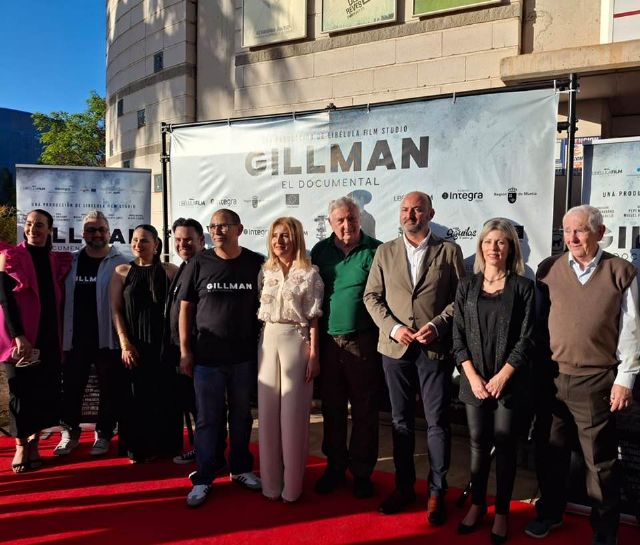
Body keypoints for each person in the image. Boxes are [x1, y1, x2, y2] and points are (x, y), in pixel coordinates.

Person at [525, 205, 639, 545]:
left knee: (600, 462)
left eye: (581, 230)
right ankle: (550, 513)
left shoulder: (621, 271)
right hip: (553, 379)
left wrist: (625, 379)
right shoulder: (548, 269)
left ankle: (605, 530)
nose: (572, 238)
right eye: (567, 231)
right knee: (550, 453)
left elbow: (632, 330)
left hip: (596, 381)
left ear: (600, 233)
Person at [364, 191, 465, 523]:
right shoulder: (385, 251)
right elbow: (372, 297)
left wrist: (437, 326)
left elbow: (460, 299)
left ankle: (437, 492)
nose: (410, 215)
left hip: (434, 349)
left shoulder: (449, 251)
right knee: (400, 421)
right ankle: (404, 487)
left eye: (417, 210)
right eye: (405, 209)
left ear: (430, 214)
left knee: (436, 423)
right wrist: (394, 329)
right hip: (395, 349)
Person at [453, 218, 535, 544]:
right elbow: (458, 337)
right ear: (480, 246)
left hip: (508, 384)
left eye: (501, 242)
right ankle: (477, 506)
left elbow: (527, 338)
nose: (494, 248)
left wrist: (503, 376)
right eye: (488, 242)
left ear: (511, 247)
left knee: (504, 447)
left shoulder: (523, 287)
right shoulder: (466, 286)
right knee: (476, 444)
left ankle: (501, 513)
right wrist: (472, 376)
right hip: (473, 382)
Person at [179, 209, 264, 508]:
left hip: (243, 358)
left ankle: (240, 468)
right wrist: (185, 351)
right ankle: (203, 477)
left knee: (241, 417)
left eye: (223, 226)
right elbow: (185, 308)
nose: (217, 231)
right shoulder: (199, 263)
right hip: (207, 359)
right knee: (207, 420)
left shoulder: (256, 263)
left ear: (239, 229)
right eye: (213, 226)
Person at [311, 196, 382, 498]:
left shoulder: (376, 250)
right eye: (340, 220)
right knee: (332, 408)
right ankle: (335, 467)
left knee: (365, 410)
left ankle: (362, 472)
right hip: (328, 343)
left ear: (359, 219)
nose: (346, 225)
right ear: (330, 222)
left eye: (351, 218)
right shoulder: (320, 251)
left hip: (362, 342)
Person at [0, 209, 72, 472]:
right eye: (29, 224)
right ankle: (21, 445)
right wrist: (18, 335)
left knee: (42, 393)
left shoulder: (55, 261)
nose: (33, 229)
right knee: (20, 393)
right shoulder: (11, 256)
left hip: (49, 338)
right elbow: (5, 298)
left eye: (39, 225)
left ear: (49, 230)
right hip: (19, 339)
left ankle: (34, 443)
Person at [258, 217, 323, 502]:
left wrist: (314, 354)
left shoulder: (310, 274)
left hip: (296, 341)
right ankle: (270, 486)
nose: (279, 241)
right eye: (275, 236)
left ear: (296, 238)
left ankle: (292, 488)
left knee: (293, 417)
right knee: (267, 417)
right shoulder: (266, 270)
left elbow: (313, 318)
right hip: (267, 340)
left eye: (285, 235)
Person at [55, 210, 128, 457]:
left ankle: (104, 433)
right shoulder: (71, 262)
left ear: (109, 232)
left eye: (101, 229)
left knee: (109, 389)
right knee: (72, 388)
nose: (96, 234)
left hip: (108, 338)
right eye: (91, 229)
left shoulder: (122, 262)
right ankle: (70, 432)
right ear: (83, 233)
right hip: (75, 339)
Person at [110, 224, 179, 463]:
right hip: (134, 345)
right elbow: (116, 310)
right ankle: (138, 447)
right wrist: (125, 344)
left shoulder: (170, 271)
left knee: (164, 394)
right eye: (135, 240)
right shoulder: (121, 272)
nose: (138, 244)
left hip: (164, 345)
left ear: (156, 244)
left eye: (144, 240)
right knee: (136, 396)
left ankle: (165, 446)